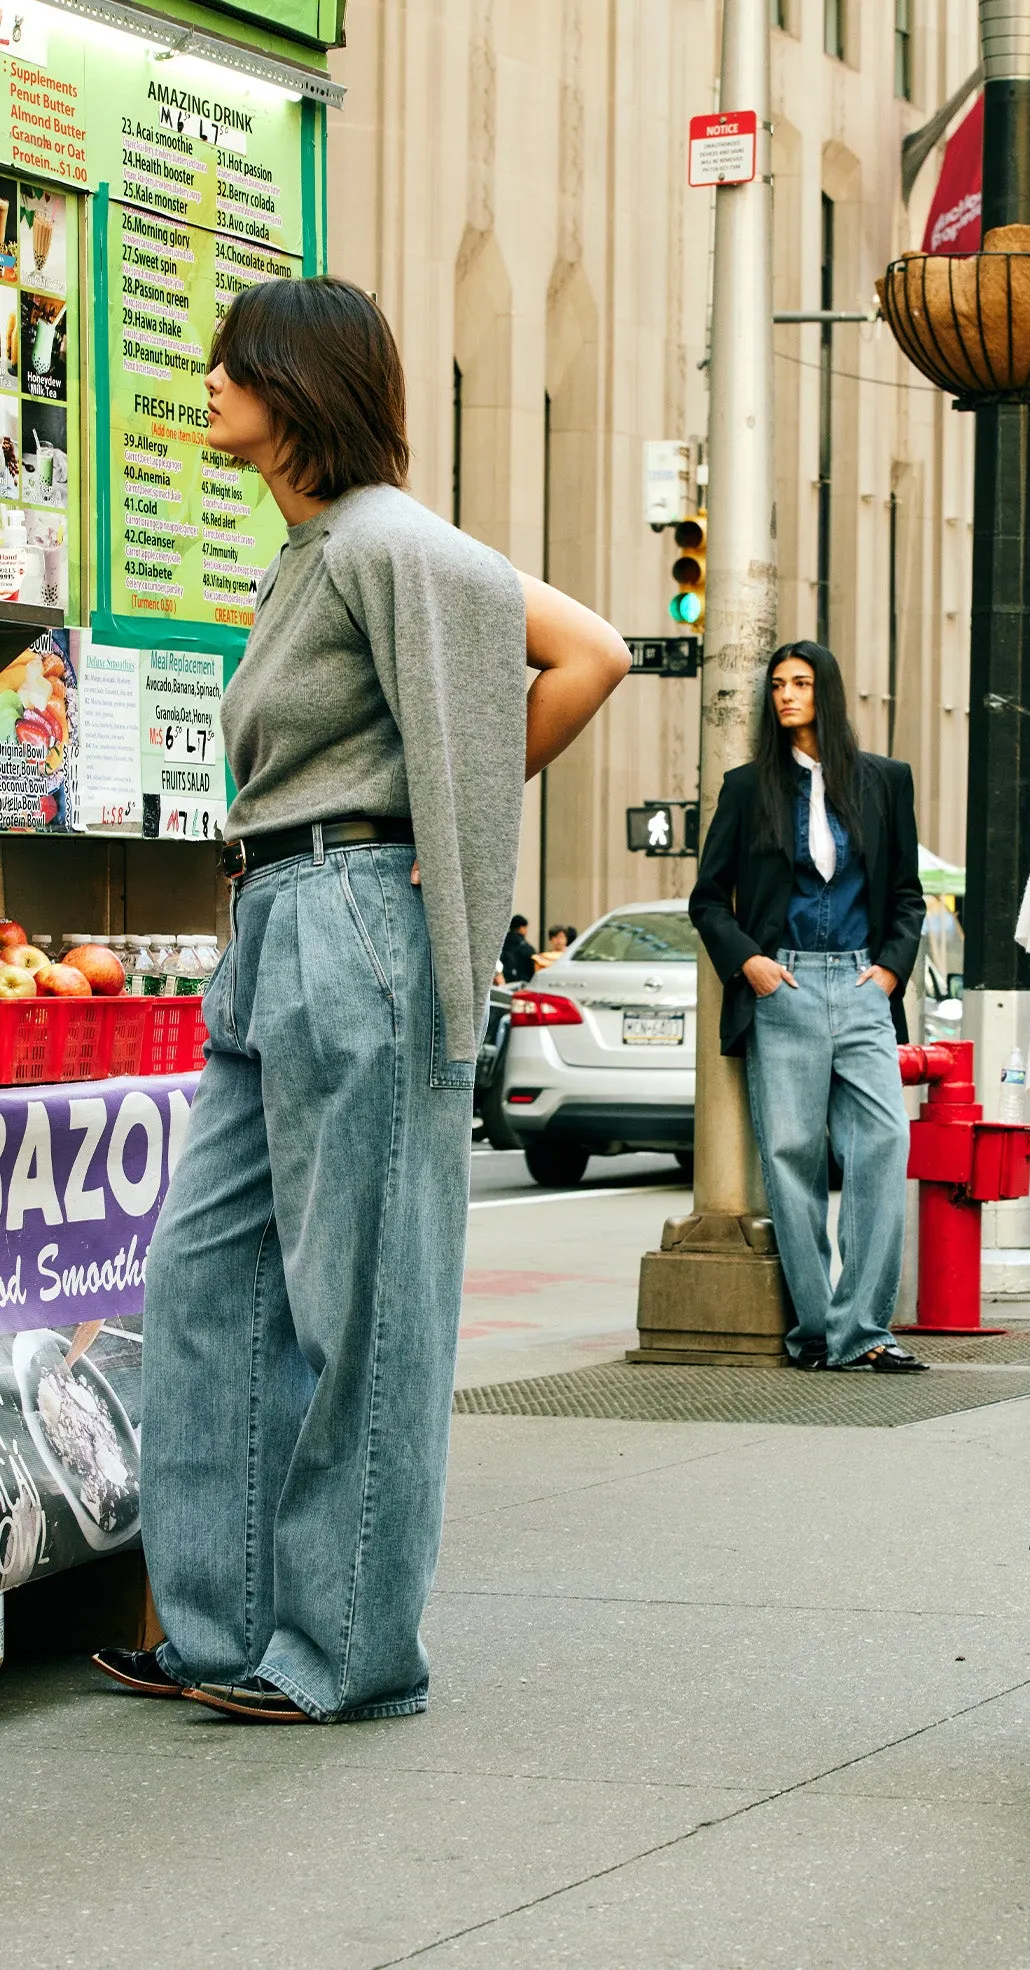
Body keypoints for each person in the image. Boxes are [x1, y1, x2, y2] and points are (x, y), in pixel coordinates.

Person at [95, 277, 629, 1723]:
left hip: (345, 910)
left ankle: (343, 1647)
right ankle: (219, 1627)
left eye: (237, 359)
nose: (209, 378)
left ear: (300, 386)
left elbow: (595, 654)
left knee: (364, 1302)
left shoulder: (392, 540)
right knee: (205, 1284)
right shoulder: (317, 551)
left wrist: (429, 825)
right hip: (274, 916)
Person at [689, 641, 926, 1372]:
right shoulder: (746, 788)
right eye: (778, 685)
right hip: (783, 989)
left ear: (828, 689)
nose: (787, 695)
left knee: (883, 1149)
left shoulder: (885, 782)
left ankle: (865, 1328)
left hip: (861, 989)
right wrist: (752, 965)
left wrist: (889, 972)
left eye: (800, 683)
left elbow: (907, 896)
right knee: (790, 1160)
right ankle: (818, 1332)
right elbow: (707, 899)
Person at [500, 914, 536, 982]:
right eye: (526, 928)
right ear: (522, 928)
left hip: (504, 983)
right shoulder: (526, 947)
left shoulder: (502, 944)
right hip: (522, 984)